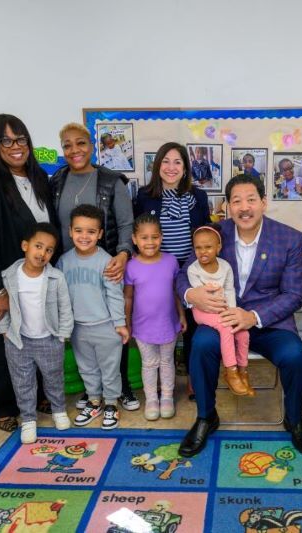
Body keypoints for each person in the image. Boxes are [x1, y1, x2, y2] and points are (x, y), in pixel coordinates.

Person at [175, 175, 302, 457]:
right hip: (222, 320)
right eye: (236, 201)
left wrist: (253, 316)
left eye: (251, 199)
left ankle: (295, 419)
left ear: (263, 203)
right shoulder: (214, 234)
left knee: (295, 356)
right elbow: (181, 277)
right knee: (200, 345)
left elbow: (294, 294)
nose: (244, 207)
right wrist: (192, 295)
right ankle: (206, 416)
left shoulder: (289, 239)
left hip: (268, 322)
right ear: (227, 206)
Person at [0, 114, 57, 433]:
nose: (15, 147)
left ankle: (38, 396)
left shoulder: (39, 179)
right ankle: (3, 405)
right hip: (4, 284)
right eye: (6, 140)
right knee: (4, 345)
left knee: (37, 337)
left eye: (20, 139)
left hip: (38, 281)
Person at [51, 123, 138, 412]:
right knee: (82, 331)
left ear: (91, 146)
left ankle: (120, 388)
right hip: (70, 267)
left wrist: (123, 255)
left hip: (107, 262)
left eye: (80, 143)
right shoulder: (57, 181)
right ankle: (94, 392)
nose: (74, 150)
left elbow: (126, 223)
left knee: (112, 326)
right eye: (67, 145)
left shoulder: (112, 181)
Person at [134, 142, 210, 398]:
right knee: (158, 320)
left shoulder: (198, 197)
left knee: (192, 324)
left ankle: (192, 375)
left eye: (178, 162)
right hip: (157, 271)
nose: (171, 167)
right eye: (166, 161)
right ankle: (156, 376)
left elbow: (205, 233)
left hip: (190, 271)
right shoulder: (145, 196)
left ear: (186, 168)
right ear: (157, 166)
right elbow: (140, 233)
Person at [0, 223, 73, 444]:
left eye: (49, 250)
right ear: (25, 246)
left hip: (49, 338)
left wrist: (63, 334)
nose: (42, 253)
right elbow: (3, 307)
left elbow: (65, 307)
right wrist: (4, 331)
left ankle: (59, 410)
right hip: (18, 340)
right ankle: (28, 419)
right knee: (23, 382)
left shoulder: (55, 278)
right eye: (38, 246)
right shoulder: (9, 275)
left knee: (53, 378)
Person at [57, 205, 130, 430]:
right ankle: (94, 400)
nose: (84, 236)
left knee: (109, 368)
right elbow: (60, 296)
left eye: (91, 231)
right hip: (78, 327)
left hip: (106, 326)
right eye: (79, 230)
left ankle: (110, 404)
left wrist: (120, 324)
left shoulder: (107, 261)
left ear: (99, 234)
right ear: (70, 231)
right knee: (86, 367)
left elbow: (115, 295)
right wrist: (64, 325)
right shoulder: (64, 261)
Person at [124, 213, 186, 420]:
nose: (150, 242)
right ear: (134, 239)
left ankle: (167, 397)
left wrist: (181, 316)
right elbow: (129, 298)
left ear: (161, 237)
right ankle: (151, 399)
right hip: (142, 327)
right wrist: (127, 323)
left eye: (155, 237)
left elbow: (176, 292)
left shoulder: (171, 261)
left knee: (167, 361)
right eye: (144, 237)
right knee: (149, 363)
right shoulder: (131, 266)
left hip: (168, 323)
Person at [187, 225, 252, 396]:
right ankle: (230, 371)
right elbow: (201, 298)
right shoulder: (193, 269)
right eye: (198, 248)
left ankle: (242, 370)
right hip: (203, 311)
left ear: (218, 247)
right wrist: (223, 316)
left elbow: (229, 290)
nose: (203, 252)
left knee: (243, 332)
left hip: (223, 308)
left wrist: (230, 312)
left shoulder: (225, 267)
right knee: (225, 327)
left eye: (208, 247)